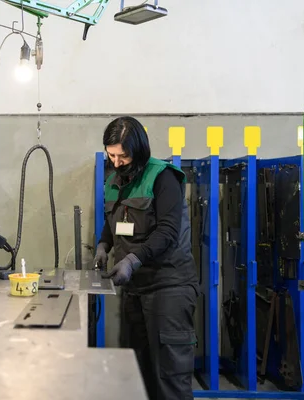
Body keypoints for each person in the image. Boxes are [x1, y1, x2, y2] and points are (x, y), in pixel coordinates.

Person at [95, 116, 199, 400]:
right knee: (139, 373)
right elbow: (113, 218)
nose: (116, 162)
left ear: (139, 151)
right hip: (136, 290)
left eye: (123, 156)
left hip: (169, 287)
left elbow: (168, 231)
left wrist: (131, 260)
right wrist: (104, 243)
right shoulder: (114, 179)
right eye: (111, 155)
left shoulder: (164, 178)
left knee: (170, 376)